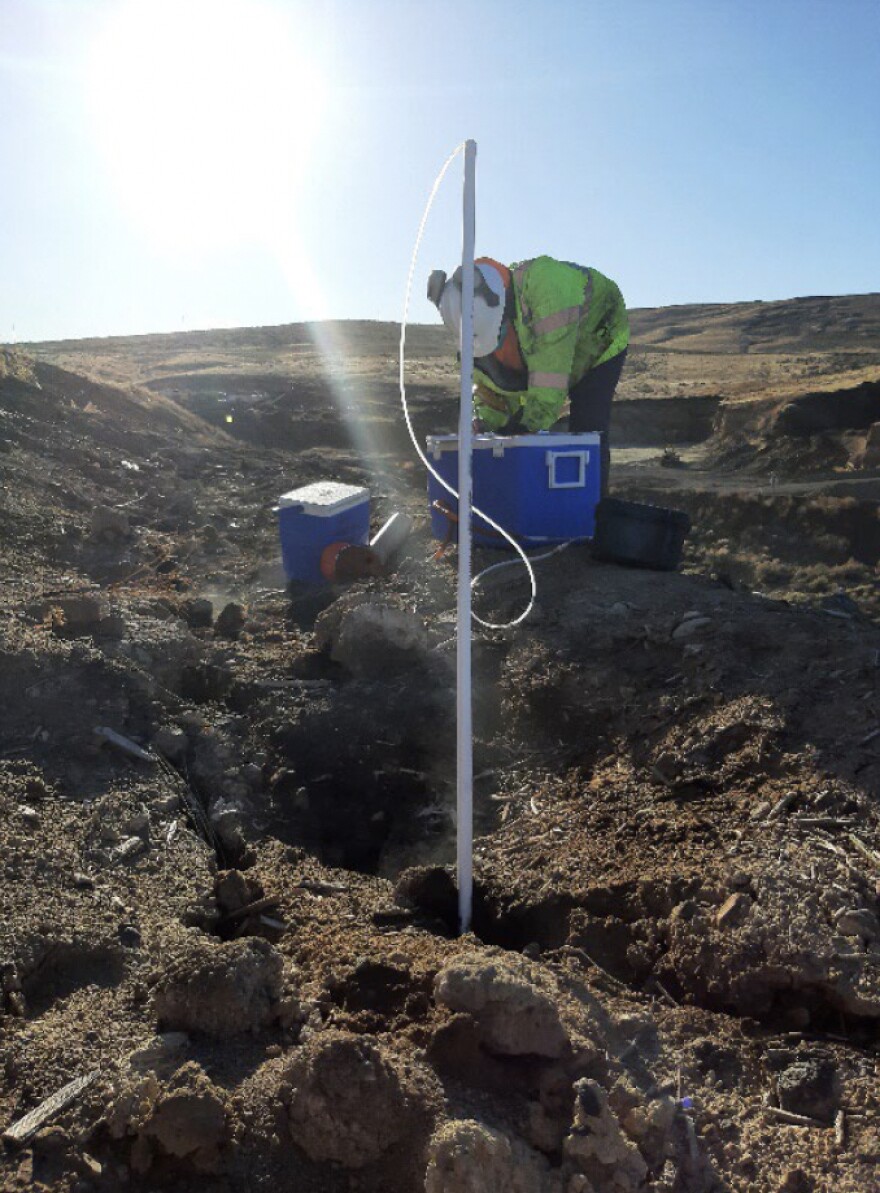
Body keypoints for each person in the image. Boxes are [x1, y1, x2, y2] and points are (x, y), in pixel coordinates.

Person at [427, 255, 628, 490]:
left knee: (587, 428)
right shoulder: (473, 329)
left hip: (600, 337)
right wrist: (486, 425)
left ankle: (592, 511)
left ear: (504, 307)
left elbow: (547, 390)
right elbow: (490, 389)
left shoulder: (549, 289)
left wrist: (522, 428)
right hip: (545, 351)